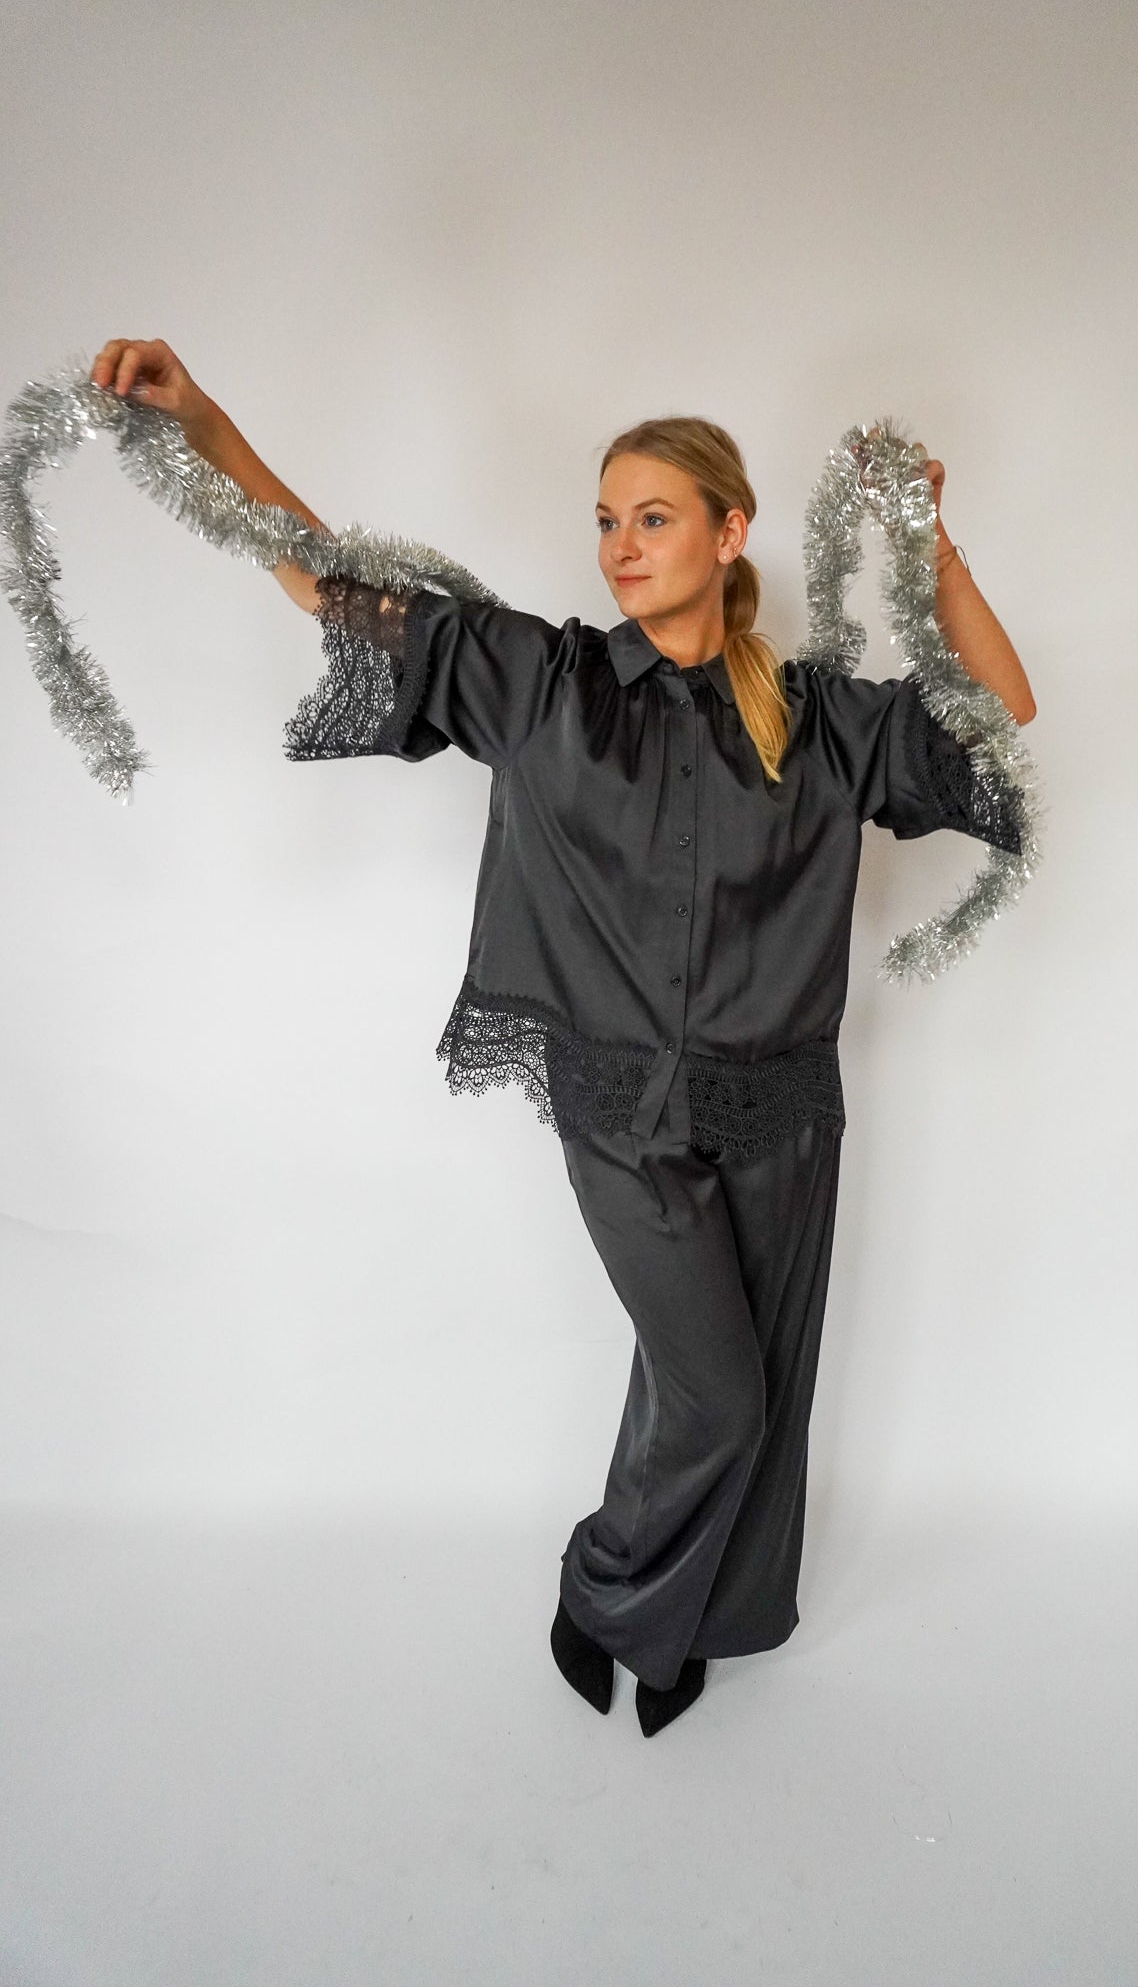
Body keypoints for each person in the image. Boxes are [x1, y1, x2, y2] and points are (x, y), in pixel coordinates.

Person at [88, 338, 1038, 1738]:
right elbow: (328, 578)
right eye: (605, 519)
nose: (619, 547)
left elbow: (1002, 719)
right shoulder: (539, 680)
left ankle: (695, 1620)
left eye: (651, 517)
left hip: (781, 1111)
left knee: (755, 1387)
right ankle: (604, 1592)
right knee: (714, 1394)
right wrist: (205, 422)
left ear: (728, 533)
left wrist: (932, 543)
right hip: (620, 1110)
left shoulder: (822, 722)